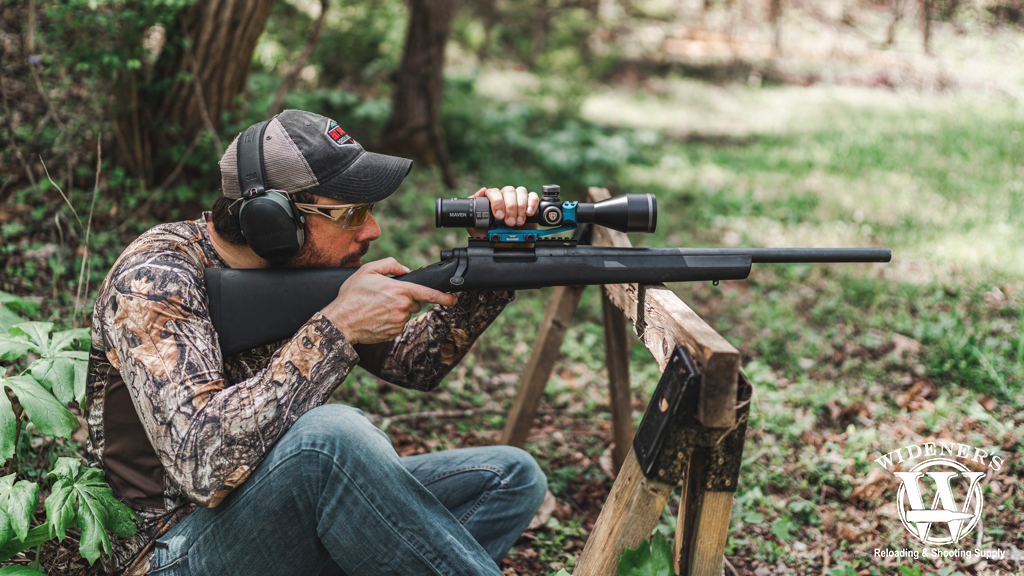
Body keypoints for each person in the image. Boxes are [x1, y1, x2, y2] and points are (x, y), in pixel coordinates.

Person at [84, 109, 548, 576]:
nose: (372, 231)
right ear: (274, 223)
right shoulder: (154, 281)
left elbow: (416, 363)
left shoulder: (301, 268)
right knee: (329, 439)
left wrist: (488, 264)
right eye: (352, 213)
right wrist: (336, 328)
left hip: (273, 524)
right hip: (168, 551)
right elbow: (201, 465)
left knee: (509, 477)